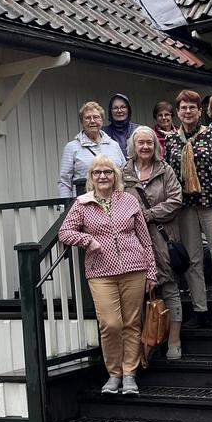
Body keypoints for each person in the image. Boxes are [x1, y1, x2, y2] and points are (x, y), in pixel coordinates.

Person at [59, 155, 158, 395]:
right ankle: (114, 373)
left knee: (132, 323)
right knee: (110, 324)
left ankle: (129, 374)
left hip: (135, 268)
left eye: (108, 172)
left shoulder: (129, 200)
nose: (102, 176)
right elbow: (65, 232)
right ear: (91, 178)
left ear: (115, 176)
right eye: (97, 172)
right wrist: (87, 240)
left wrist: (151, 272)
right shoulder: (82, 203)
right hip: (100, 272)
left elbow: (145, 239)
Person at [164, 89, 212, 330]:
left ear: (199, 111)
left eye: (192, 107)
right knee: (193, 259)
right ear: (178, 112)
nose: (188, 111)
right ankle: (199, 310)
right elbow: (169, 174)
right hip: (184, 206)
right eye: (183, 108)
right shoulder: (172, 140)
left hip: (211, 202)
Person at [123, 126, 184, 359]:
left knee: (169, 288)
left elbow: (175, 200)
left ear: (156, 146)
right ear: (133, 146)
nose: (145, 146)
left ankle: (174, 341)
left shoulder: (165, 170)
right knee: (138, 292)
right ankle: (146, 343)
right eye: (141, 143)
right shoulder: (123, 173)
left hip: (163, 236)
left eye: (149, 142)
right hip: (133, 240)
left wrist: (148, 214)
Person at [58, 101, 125, 198]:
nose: (92, 121)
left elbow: (124, 174)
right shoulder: (71, 147)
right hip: (84, 201)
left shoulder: (114, 145)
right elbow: (65, 181)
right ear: (82, 122)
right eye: (88, 118)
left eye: (96, 117)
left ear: (102, 120)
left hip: (115, 201)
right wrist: (66, 204)